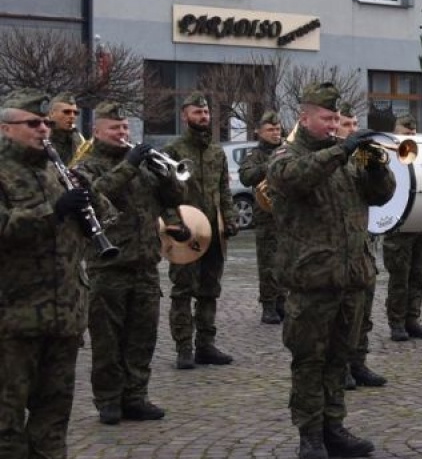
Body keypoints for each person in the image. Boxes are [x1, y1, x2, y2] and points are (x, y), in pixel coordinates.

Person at [265, 83, 396, 459]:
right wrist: (343, 149)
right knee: (309, 360)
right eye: (327, 118)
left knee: (340, 358)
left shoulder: (347, 161)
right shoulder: (286, 156)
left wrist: (375, 168)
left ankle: (334, 427)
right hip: (312, 281)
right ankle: (310, 434)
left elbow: (382, 196)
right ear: (304, 118)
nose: (334, 125)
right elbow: (296, 179)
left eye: (338, 119)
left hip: (351, 277)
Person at [0, 89, 105, 459]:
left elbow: (92, 226)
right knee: (7, 405)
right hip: (14, 310)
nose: (43, 129)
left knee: (53, 403)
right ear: (7, 129)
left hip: (64, 309)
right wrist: (52, 213)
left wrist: (89, 200)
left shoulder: (57, 172)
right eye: (33, 123)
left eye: (45, 123)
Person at [75, 102, 186, 425]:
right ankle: (108, 400)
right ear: (97, 131)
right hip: (108, 267)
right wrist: (128, 164)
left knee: (142, 337)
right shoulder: (87, 166)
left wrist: (166, 176)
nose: (122, 134)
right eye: (115, 128)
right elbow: (96, 196)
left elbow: (175, 198)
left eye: (125, 128)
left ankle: (136, 396)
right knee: (108, 341)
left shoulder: (142, 166)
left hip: (145, 264)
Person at [165, 92, 238, 368]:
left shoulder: (216, 152)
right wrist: (172, 223)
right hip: (185, 233)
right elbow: (162, 193)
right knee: (183, 291)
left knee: (210, 291)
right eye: (197, 112)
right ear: (185, 115)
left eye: (206, 112)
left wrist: (229, 219)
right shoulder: (173, 151)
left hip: (213, 234)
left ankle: (205, 345)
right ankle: (184, 348)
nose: (203, 117)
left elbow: (224, 190)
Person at [333, 103, 388, 389]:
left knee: (362, 312)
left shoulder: (362, 154)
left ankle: (358, 363)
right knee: (342, 316)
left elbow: (382, 194)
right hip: (336, 249)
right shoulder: (329, 157)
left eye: (355, 125)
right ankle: (340, 367)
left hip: (362, 245)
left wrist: (378, 168)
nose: (353, 130)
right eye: (347, 125)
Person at [382, 112, 422, 344]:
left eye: (413, 133)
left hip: (420, 221)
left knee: (417, 275)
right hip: (398, 225)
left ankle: (412, 318)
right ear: (396, 132)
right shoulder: (382, 149)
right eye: (406, 134)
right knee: (399, 278)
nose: (410, 138)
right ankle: (396, 323)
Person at [237, 111, 286, 325]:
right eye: (271, 130)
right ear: (259, 132)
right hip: (266, 218)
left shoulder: (287, 151)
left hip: (288, 216)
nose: (276, 133)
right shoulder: (254, 156)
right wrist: (270, 165)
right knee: (268, 263)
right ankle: (268, 304)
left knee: (287, 261)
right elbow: (246, 176)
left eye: (277, 129)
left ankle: (283, 302)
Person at [47, 92, 85, 162]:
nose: (72, 116)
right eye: (67, 112)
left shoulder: (78, 138)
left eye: (75, 113)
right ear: (52, 114)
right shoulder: (42, 137)